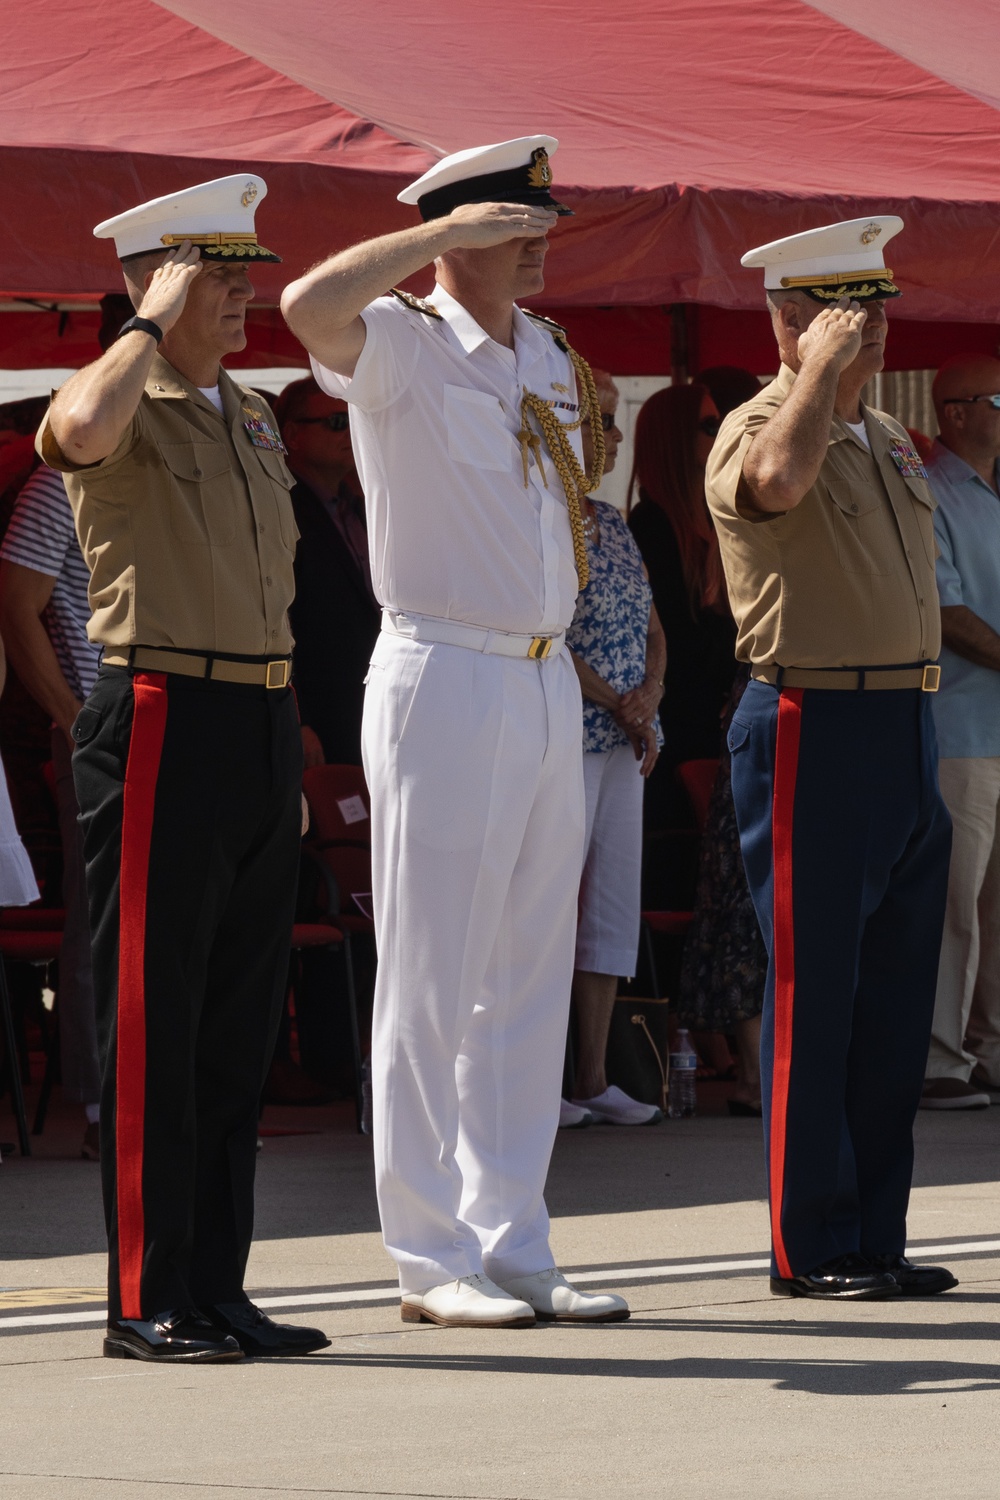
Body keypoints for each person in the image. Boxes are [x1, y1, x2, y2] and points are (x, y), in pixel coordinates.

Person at [282, 135, 629, 1328]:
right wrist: (436, 239)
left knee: (528, 973)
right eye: (511, 226)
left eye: (537, 225)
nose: (534, 243)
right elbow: (300, 303)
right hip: (443, 671)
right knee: (433, 972)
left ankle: (512, 1235)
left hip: (540, 678)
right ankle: (428, 1255)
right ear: (454, 234)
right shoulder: (405, 346)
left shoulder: (543, 352)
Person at [37, 175, 328, 1362]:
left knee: (236, 1023)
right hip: (162, 708)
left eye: (241, 270)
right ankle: (145, 1297)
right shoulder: (128, 396)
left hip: (256, 716)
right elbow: (77, 435)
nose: (244, 291)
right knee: (159, 1014)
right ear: (157, 283)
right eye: (218, 273)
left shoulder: (246, 413)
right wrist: (145, 325)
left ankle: (218, 1285)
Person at [705, 216, 955, 1301]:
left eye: (881, 306)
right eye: (849, 310)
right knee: (822, 995)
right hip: (812, 721)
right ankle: (811, 1243)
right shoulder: (763, 422)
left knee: (897, 997)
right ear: (793, 319)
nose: (875, 328)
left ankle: (874, 1234)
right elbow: (777, 483)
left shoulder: (886, 441)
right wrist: (813, 374)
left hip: (903, 723)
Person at [0, 295, 132, 1161]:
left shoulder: (179, 459)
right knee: (106, 924)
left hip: (187, 716)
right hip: (104, 725)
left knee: (175, 917)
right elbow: (15, 606)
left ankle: (161, 1099)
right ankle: (101, 1110)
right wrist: (75, 720)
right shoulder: (64, 477)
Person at [561, 369, 666, 1128]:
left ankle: (594, 1078)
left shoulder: (611, 520)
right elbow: (544, 637)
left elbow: (653, 627)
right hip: (566, 735)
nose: (616, 436)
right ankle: (542, 1083)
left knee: (609, 906)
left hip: (627, 740)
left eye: (618, 419)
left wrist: (649, 698)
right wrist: (618, 703)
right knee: (547, 910)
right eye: (600, 418)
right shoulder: (541, 517)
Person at [678, 367, 768, 1116]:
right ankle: (749, 1069)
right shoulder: (708, 518)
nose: (706, 439)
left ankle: (767, 1067)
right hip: (742, 715)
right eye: (701, 427)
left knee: (770, 893)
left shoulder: (766, 498)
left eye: (715, 423)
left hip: (776, 702)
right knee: (738, 896)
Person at [920, 354, 1000, 1109]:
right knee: (954, 903)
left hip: (992, 730)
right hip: (962, 728)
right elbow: (944, 613)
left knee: (994, 906)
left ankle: (989, 1048)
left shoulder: (992, 492)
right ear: (956, 412)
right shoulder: (934, 492)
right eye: (998, 399)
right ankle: (941, 1058)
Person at [627, 383, 737, 831]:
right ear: (675, 436)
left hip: (716, 725)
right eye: (710, 425)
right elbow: (674, 636)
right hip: (679, 732)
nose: (721, 434)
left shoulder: (712, 520)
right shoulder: (650, 525)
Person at [272, 375, 380, 767]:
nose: (350, 431)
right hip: (317, 719)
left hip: (367, 710)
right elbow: (274, 619)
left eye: (354, 419)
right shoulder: (280, 511)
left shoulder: (360, 508)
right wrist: (298, 719)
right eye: (337, 421)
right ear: (293, 435)